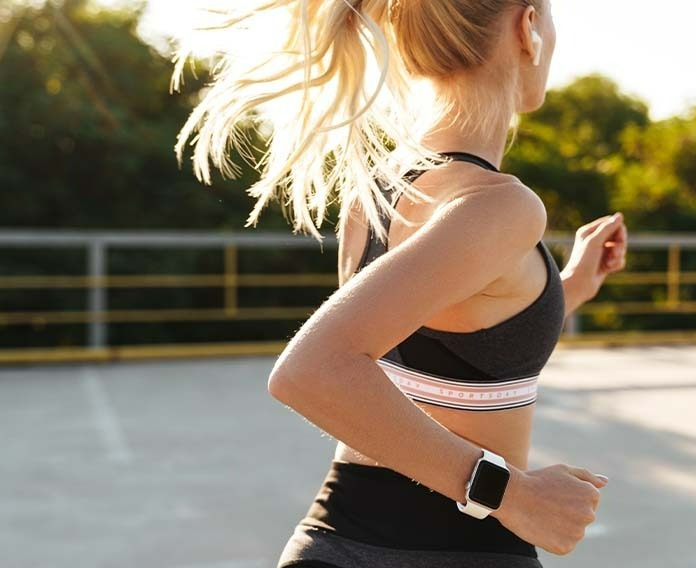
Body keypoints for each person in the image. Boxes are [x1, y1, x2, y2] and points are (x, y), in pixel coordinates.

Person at [171, 0, 628, 566]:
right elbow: (310, 371)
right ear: (528, 27)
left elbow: (445, 352)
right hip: (455, 551)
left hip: (336, 541)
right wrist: (511, 494)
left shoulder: (378, 192)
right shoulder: (500, 205)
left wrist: (568, 286)